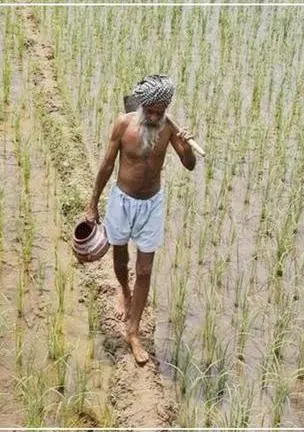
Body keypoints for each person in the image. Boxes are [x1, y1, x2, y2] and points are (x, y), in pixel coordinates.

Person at [84, 74, 196, 364]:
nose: (156, 117)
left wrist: (185, 145)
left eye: (162, 112)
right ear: (143, 106)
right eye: (152, 112)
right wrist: (92, 202)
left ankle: (133, 332)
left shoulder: (169, 128)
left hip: (152, 205)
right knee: (120, 257)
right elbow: (107, 164)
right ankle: (123, 290)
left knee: (144, 269)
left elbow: (190, 165)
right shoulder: (124, 124)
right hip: (122, 201)